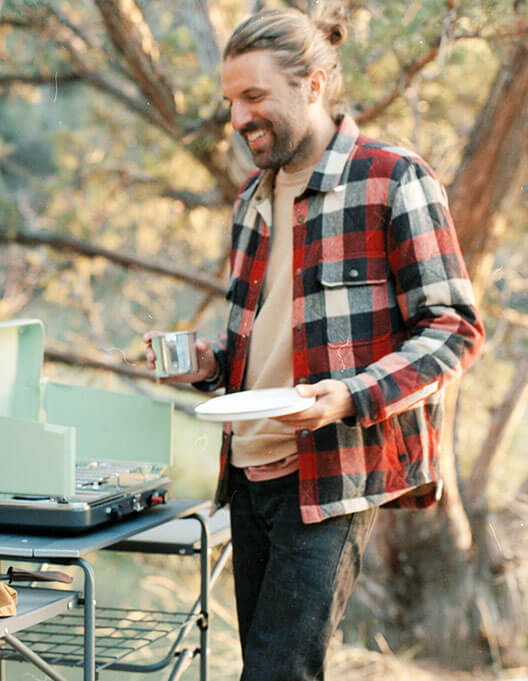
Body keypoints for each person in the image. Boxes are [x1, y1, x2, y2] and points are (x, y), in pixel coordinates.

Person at [144, 7, 484, 680]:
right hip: (247, 472)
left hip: (329, 475)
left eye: (254, 96)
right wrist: (210, 361)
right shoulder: (253, 197)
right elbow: (261, 336)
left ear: (315, 86)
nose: (238, 117)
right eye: (230, 101)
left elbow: (454, 329)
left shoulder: (393, 178)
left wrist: (348, 396)